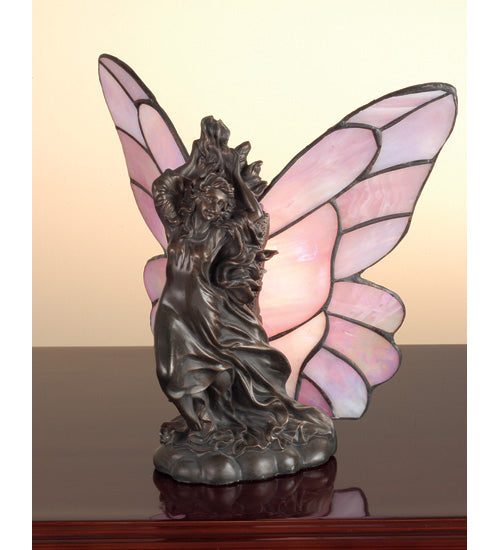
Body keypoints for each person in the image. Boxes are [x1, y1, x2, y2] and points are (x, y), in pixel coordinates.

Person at [152, 116, 333, 455]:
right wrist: (193, 167)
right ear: (199, 196)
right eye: (213, 199)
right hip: (172, 312)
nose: (218, 208)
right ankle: (200, 427)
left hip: (205, 310)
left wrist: (235, 177)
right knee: (171, 373)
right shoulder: (178, 227)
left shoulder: (222, 234)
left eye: (224, 204)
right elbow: (162, 187)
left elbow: (254, 220)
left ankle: (212, 427)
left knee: (218, 372)